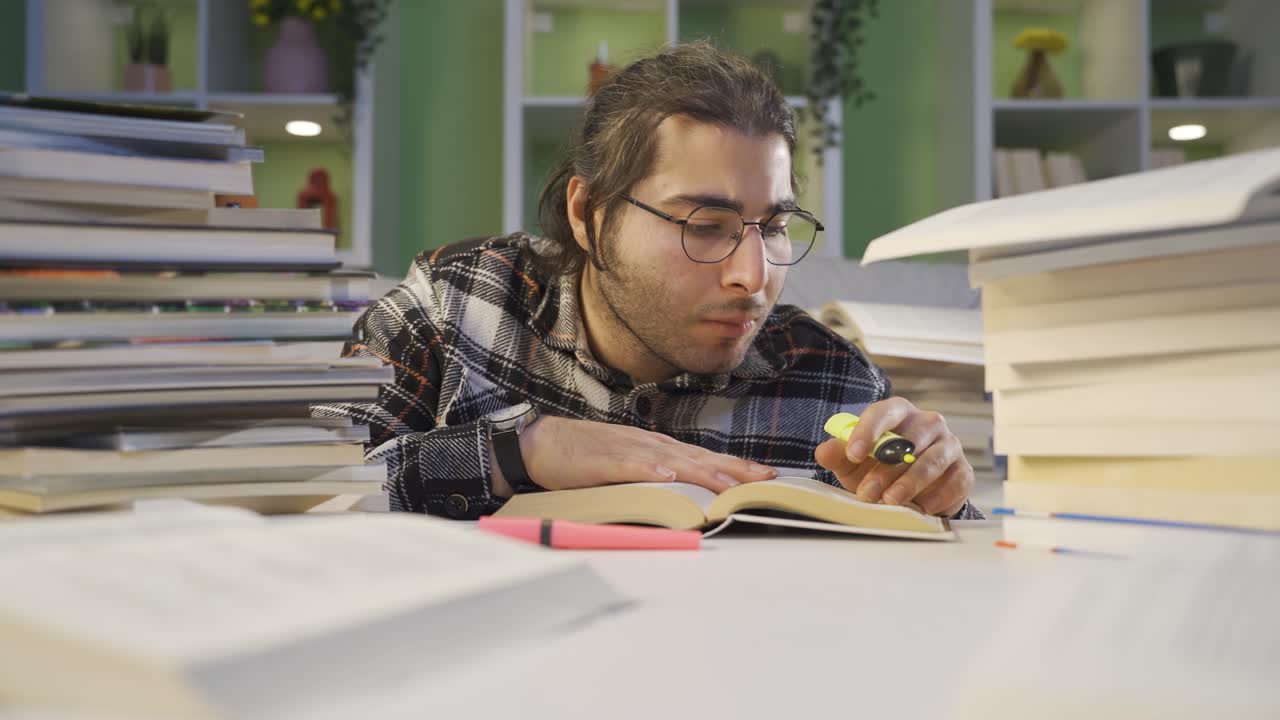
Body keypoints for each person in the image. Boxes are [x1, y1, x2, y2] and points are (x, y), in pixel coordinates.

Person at [316, 42, 981, 520]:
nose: (753, 278)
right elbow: (306, 495)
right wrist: (521, 451)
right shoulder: (450, 308)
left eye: (775, 227)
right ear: (588, 213)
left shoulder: (833, 382)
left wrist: (942, 497)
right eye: (705, 226)